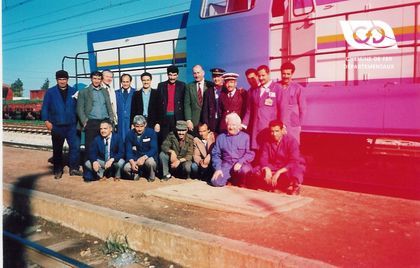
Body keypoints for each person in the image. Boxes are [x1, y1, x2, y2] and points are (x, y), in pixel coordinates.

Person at [41, 70, 82, 179]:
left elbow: (79, 107)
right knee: (57, 149)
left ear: (67, 79)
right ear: (57, 80)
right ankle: (58, 170)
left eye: (64, 79)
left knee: (75, 147)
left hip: (72, 125)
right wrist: (46, 121)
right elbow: (45, 107)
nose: (62, 81)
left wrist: (80, 122)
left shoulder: (74, 91)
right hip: (57, 125)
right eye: (60, 79)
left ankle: (74, 169)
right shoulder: (50, 92)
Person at [77, 71, 115, 181]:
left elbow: (109, 106)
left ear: (101, 80)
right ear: (91, 79)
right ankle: (88, 174)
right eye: (95, 78)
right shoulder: (84, 92)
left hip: (104, 121)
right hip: (92, 123)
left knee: (104, 147)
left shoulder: (104, 91)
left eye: (99, 79)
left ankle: (103, 172)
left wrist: (111, 119)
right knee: (89, 148)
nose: (97, 81)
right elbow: (79, 108)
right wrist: (85, 122)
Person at [256, 120, 305, 195]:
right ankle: (278, 186)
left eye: (277, 131)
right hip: (274, 167)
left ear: (282, 131)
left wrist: (279, 172)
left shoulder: (291, 141)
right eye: (272, 131)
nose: (274, 134)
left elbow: (294, 161)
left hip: (287, 168)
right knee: (256, 171)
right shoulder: (267, 142)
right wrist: (266, 168)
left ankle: (294, 186)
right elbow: (263, 158)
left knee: (297, 170)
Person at [242, 65, 283, 150]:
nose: (261, 78)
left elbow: (282, 109)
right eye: (259, 76)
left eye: (263, 75)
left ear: (268, 74)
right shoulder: (254, 90)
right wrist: (243, 124)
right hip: (256, 127)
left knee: (270, 149)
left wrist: (282, 126)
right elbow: (249, 110)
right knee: (257, 150)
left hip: (270, 127)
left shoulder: (277, 88)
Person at [211, 113, 254, 187]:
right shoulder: (221, 137)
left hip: (241, 165)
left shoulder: (246, 137)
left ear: (239, 126)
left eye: (234, 125)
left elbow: (250, 153)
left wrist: (240, 162)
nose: (231, 127)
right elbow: (215, 154)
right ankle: (229, 179)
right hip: (226, 165)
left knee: (245, 171)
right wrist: (218, 168)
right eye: (229, 125)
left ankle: (238, 181)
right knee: (215, 181)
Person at [279, 62, 307, 144]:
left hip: (293, 124)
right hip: (278, 123)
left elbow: (303, 109)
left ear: (292, 74)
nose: (286, 76)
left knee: (293, 145)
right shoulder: (276, 86)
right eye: (283, 74)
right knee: (278, 146)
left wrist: (299, 125)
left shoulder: (298, 88)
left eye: (288, 74)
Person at [123, 115, 158, 182]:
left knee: (151, 163)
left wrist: (144, 157)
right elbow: (128, 151)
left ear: (145, 125)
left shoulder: (151, 132)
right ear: (133, 125)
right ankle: (137, 174)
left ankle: (151, 176)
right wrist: (132, 163)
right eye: (137, 126)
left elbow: (154, 149)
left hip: (147, 157)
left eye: (141, 126)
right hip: (136, 158)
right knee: (126, 168)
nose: (139, 129)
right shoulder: (129, 134)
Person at [157, 65, 186, 144]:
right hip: (164, 117)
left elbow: (185, 103)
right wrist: (158, 122)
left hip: (177, 117)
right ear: (167, 75)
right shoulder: (161, 86)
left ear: (177, 75)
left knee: (177, 139)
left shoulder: (182, 85)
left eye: (174, 75)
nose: (172, 77)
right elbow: (158, 105)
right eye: (170, 75)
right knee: (164, 138)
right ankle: (165, 155)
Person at [184, 65, 213, 133]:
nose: (196, 75)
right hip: (194, 122)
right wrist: (188, 120)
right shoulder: (189, 86)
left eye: (198, 72)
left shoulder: (210, 85)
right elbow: (187, 104)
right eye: (194, 73)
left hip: (208, 121)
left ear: (203, 73)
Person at [201, 67, 225, 133]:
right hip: (212, 121)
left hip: (223, 121)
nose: (216, 79)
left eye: (218, 76)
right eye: (214, 76)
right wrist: (206, 123)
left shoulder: (226, 90)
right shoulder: (208, 92)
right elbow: (205, 109)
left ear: (223, 77)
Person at [115, 73, 135, 141]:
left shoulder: (136, 92)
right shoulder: (116, 93)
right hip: (120, 123)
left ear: (130, 82)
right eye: (123, 82)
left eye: (127, 82)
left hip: (131, 122)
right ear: (121, 82)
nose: (125, 83)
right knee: (121, 141)